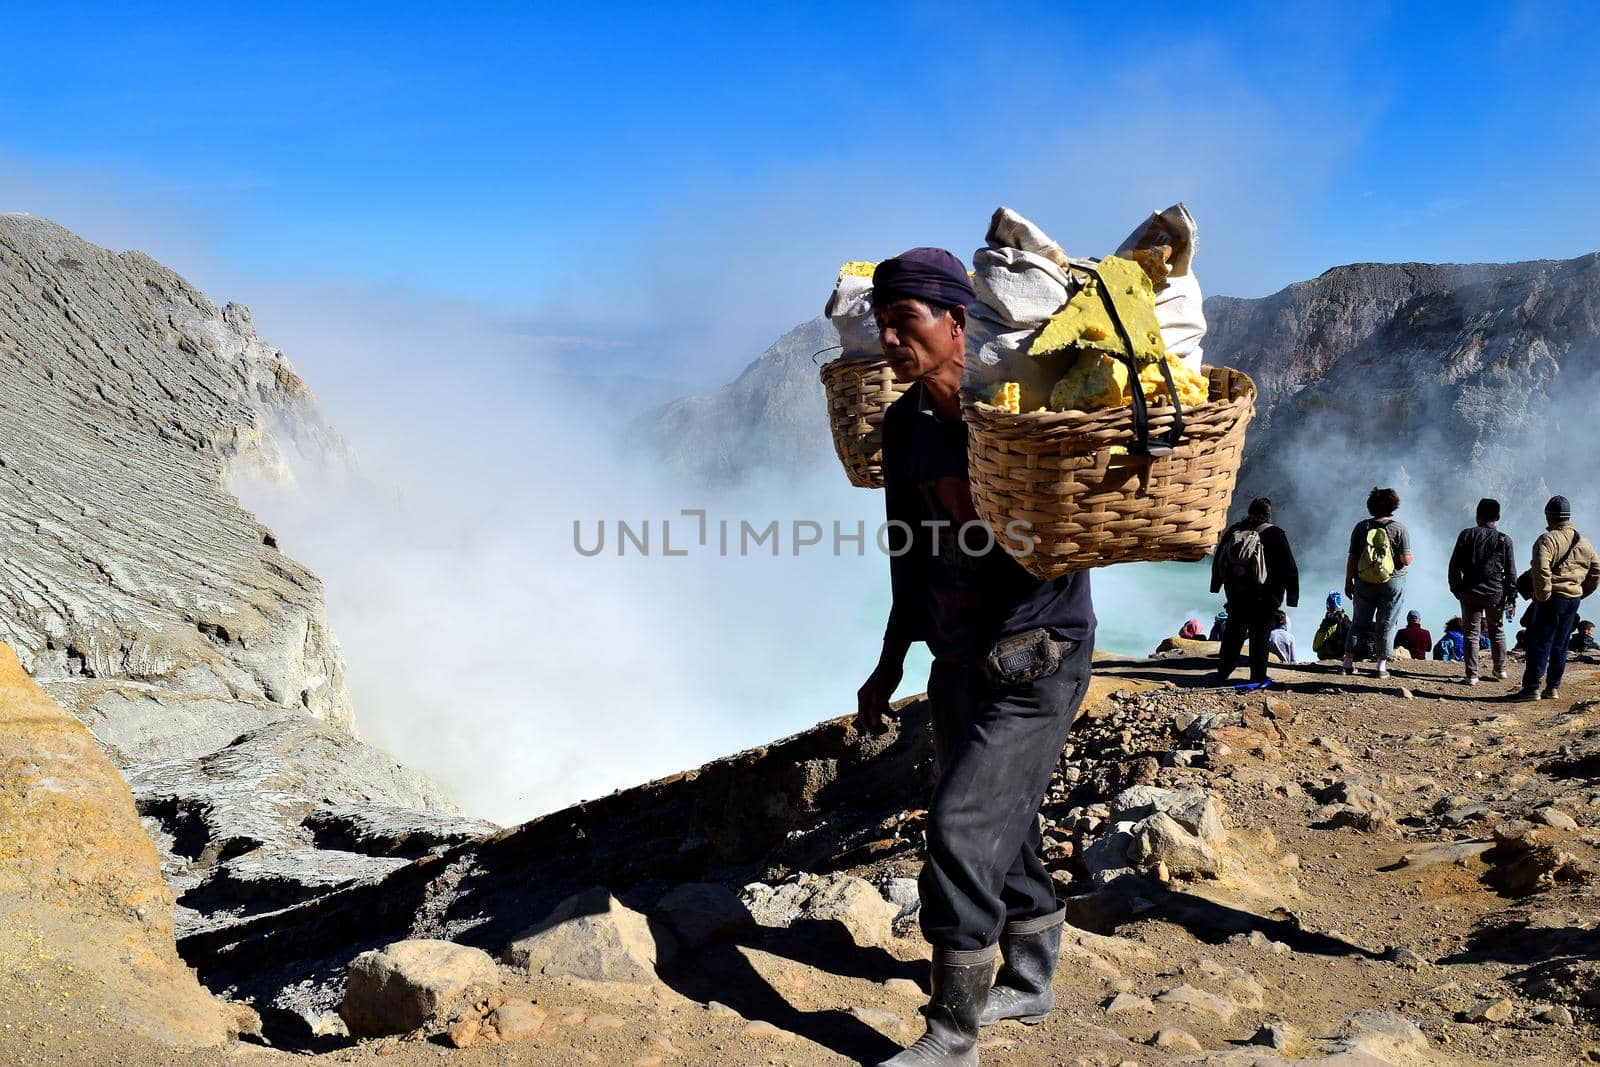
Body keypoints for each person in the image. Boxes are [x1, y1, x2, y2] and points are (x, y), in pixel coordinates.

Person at [853, 248, 1095, 1066]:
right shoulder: (902, 426)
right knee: (1000, 814)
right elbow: (908, 557)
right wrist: (889, 663)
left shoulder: (1019, 416)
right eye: (881, 323)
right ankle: (1029, 976)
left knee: (959, 824)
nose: (889, 336)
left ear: (957, 322)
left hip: (1039, 649)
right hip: (958, 655)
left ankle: (952, 1035)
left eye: (906, 320)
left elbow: (1073, 523)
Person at [1517, 496, 1600, 701]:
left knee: (1539, 642)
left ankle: (1531, 688)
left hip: (1551, 598)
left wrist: (1542, 595)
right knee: (1561, 644)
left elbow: (1540, 569)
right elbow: (1596, 571)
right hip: (1573, 599)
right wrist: (1581, 591)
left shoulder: (1548, 539)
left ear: (1549, 516)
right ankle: (1552, 688)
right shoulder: (1585, 542)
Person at [1210, 497, 1300, 685]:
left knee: (1233, 633)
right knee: (1260, 637)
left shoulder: (1234, 530)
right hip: (1264, 598)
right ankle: (1258, 676)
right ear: (1268, 515)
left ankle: (1223, 671)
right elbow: (1289, 567)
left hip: (1236, 594)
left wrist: (1216, 585)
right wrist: (1292, 597)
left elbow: (1219, 558)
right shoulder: (1275, 534)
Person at [1343, 487, 1413, 678]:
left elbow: (1353, 557)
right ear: (1393, 506)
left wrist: (1348, 581)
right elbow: (1406, 559)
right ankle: (1381, 667)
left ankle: (1348, 662)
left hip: (1364, 581)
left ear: (1371, 506)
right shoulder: (1399, 528)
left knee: (1359, 621)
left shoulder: (1361, 527)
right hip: (1393, 581)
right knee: (1386, 622)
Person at [1448, 497, 1516, 685]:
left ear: (1477, 515)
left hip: (1469, 592)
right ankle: (1500, 670)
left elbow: (1454, 566)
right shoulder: (1504, 540)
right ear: (1498, 516)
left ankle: (1472, 675)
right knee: (1497, 630)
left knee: (1471, 633)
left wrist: (1457, 590)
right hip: (1495, 594)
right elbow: (1511, 572)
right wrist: (1511, 598)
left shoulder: (1466, 535)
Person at [1313, 592, 1351, 660]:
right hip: (1346, 653)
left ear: (1328, 606)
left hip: (1333, 654)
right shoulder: (1345, 618)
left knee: (1320, 652)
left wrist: (1324, 626)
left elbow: (1315, 647)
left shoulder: (1329, 623)